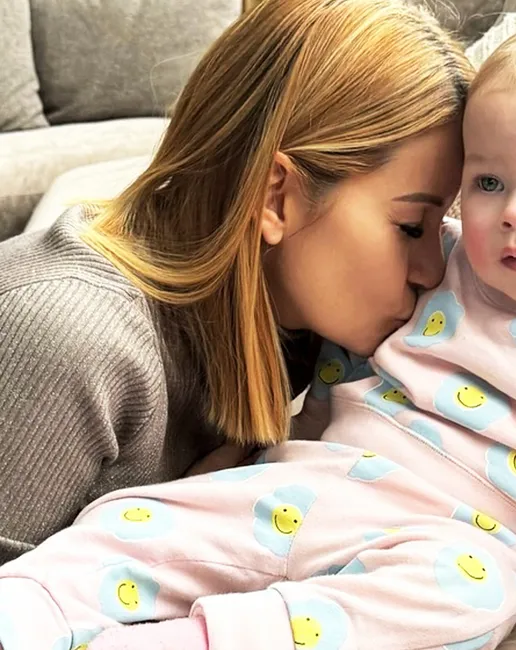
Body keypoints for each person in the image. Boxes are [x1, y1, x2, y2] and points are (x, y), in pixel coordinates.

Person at [12, 9, 516, 650]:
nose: (513, 213)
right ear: (276, 198)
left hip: (447, 541)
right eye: (487, 183)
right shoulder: (67, 335)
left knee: (475, 591)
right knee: (125, 530)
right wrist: (242, 469)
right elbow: (328, 397)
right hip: (303, 486)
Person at [0, 0, 471, 564]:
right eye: (411, 226)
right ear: (275, 196)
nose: (433, 270)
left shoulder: (307, 327)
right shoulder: (64, 342)